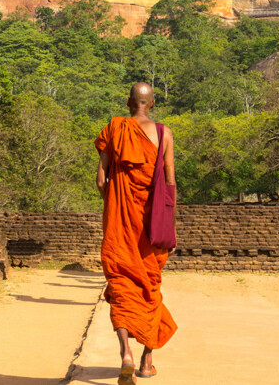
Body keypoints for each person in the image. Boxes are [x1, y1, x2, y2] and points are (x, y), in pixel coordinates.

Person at [95, 82, 177, 384]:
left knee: (121, 287)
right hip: (152, 227)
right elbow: (169, 184)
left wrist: (115, 204)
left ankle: (126, 353)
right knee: (149, 289)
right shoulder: (164, 133)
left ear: (129, 102)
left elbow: (102, 181)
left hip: (120, 226)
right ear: (152, 104)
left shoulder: (115, 129)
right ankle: (146, 361)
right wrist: (169, 224)